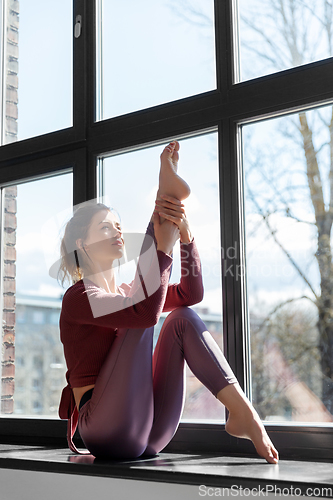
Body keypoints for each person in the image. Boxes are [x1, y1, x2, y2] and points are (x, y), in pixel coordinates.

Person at [57, 141, 279, 464]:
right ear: (82, 245)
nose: (118, 232)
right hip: (105, 429)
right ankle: (163, 199)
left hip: (149, 431)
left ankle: (242, 413)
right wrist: (162, 249)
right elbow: (144, 312)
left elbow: (191, 295)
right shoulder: (78, 298)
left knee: (180, 319)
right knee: (142, 309)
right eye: (106, 227)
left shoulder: (125, 293)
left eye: (119, 226)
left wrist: (186, 237)